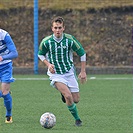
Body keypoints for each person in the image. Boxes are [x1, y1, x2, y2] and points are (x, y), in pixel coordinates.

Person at [38, 16, 87, 126]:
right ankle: (77, 120)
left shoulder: (70, 40)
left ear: (63, 28)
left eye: (60, 28)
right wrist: (48, 64)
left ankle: (64, 94)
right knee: (68, 96)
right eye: (55, 28)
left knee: (76, 99)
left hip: (69, 72)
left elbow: (82, 54)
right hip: (56, 74)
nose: (58, 30)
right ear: (52, 28)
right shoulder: (46, 42)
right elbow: (40, 54)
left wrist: (83, 71)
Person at [0, 29, 18, 123]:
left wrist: (2, 57)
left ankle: (8, 115)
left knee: (5, 92)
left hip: (5, 66)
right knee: (4, 93)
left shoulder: (4, 35)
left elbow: (14, 53)